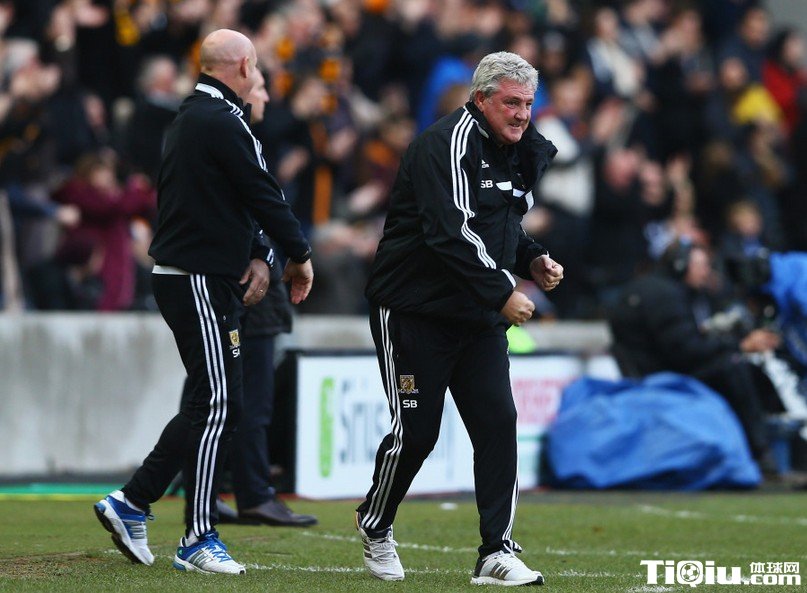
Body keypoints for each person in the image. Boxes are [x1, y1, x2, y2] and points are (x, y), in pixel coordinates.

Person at [93, 29, 313, 575]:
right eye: (257, 69)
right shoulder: (219, 119)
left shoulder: (198, 117)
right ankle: (196, 535)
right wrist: (299, 254)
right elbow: (262, 192)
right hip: (195, 277)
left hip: (199, 276)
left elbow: (230, 199)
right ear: (244, 66)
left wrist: (260, 253)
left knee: (213, 402)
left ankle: (133, 500)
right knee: (218, 403)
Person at [355, 51, 562, 586]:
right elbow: (448, 232)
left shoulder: (516, 149)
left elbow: (501, 225)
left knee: (498, 422)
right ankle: (375, 521)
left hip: (474, 313)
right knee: (417, 432)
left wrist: (533, 258)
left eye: (528, 104)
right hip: (414, 308)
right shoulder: (444, 144)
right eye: (511, 103)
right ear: (480, 99)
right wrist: (502, 291)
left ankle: (497, 549)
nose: (522, 114)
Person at [183, 71, 317, 528]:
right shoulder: (239, 138)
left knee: (212, 392)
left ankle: (206, 491)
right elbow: (259, 205)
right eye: (259, 87)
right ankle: (253, 493)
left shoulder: (227, 137)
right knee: (245, 397)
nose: (264, 96)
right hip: (245, 284)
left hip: (238, 277)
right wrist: (279, 254)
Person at [608, 240, 781, 471]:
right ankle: (760, 452)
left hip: (650, 371)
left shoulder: (651, 288)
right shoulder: (666, 295)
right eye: (701, 265)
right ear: (680, 265)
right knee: (733, 366)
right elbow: (686, 351)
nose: (706, 272)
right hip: (664, 376)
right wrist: (740, 345)